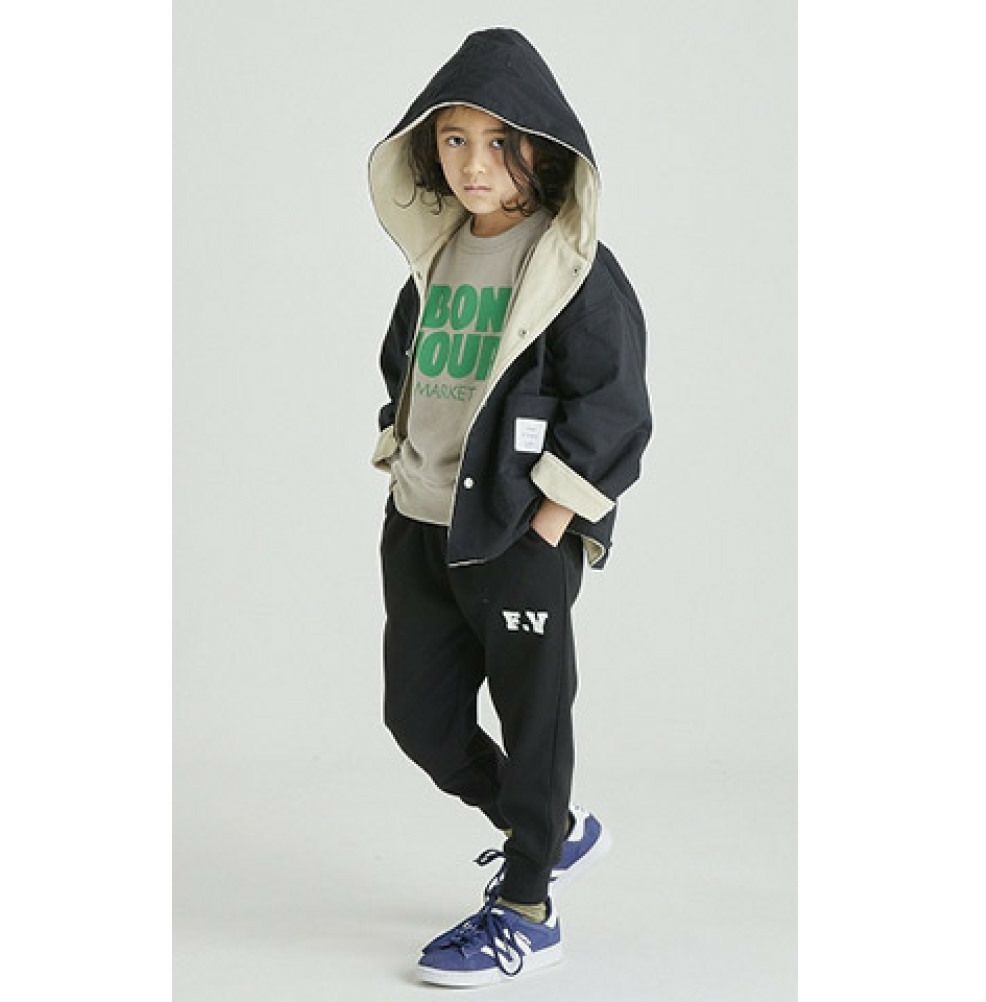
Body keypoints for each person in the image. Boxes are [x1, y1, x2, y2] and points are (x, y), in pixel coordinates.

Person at [368, 27, 654, 987]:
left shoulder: (572, 265)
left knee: (534, 722)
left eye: (499, 141)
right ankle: (553, 830)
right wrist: (395, 450)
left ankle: (529, 910)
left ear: (544, 147)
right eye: (453, 140)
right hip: (420, 522)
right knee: (419, 720)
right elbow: (405, 368)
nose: (474, 163)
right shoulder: (439, 255)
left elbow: (613, 402)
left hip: (517, 533)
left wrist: (551, 522)